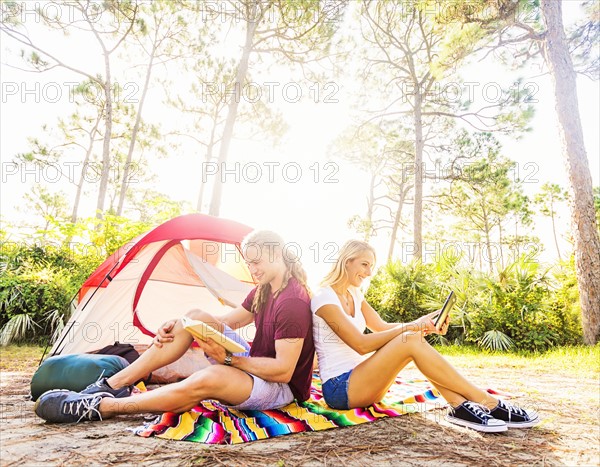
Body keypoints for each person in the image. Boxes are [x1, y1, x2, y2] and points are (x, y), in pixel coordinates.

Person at [35, 230, 315, 423]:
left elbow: (283, 370)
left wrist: (229, 359)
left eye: (256, 262)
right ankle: (112, 384)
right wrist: (185, 325)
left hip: (281, 387)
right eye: (248, 263)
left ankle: (101, 406)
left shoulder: (293, 301)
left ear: (277, 253)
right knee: (193, 315)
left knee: (212, 377)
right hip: (256, 364)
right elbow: (231, 321)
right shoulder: (265, 289)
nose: (252, 269)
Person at [311, 240, 539, 433]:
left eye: (371, 266)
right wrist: (413, 327)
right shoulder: (324, 299)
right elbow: (361, 345)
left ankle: (460, 407)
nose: (369, 272)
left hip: (365, 384)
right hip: (341, 389)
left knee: (411, 340)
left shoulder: (355, 293)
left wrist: (425, 324)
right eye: (364, 264)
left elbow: (381, 327)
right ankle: (489, 403)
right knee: (409, 338)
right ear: (346, 261)